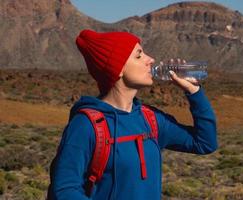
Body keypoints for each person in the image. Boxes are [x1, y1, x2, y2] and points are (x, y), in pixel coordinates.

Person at [48, 29, 218, 200]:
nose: (150, 60)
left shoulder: (150, 119)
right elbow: (65, 190)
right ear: (118, 69)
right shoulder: (87, 125)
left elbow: (204, 143)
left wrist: (193, 91)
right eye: (139, 55)